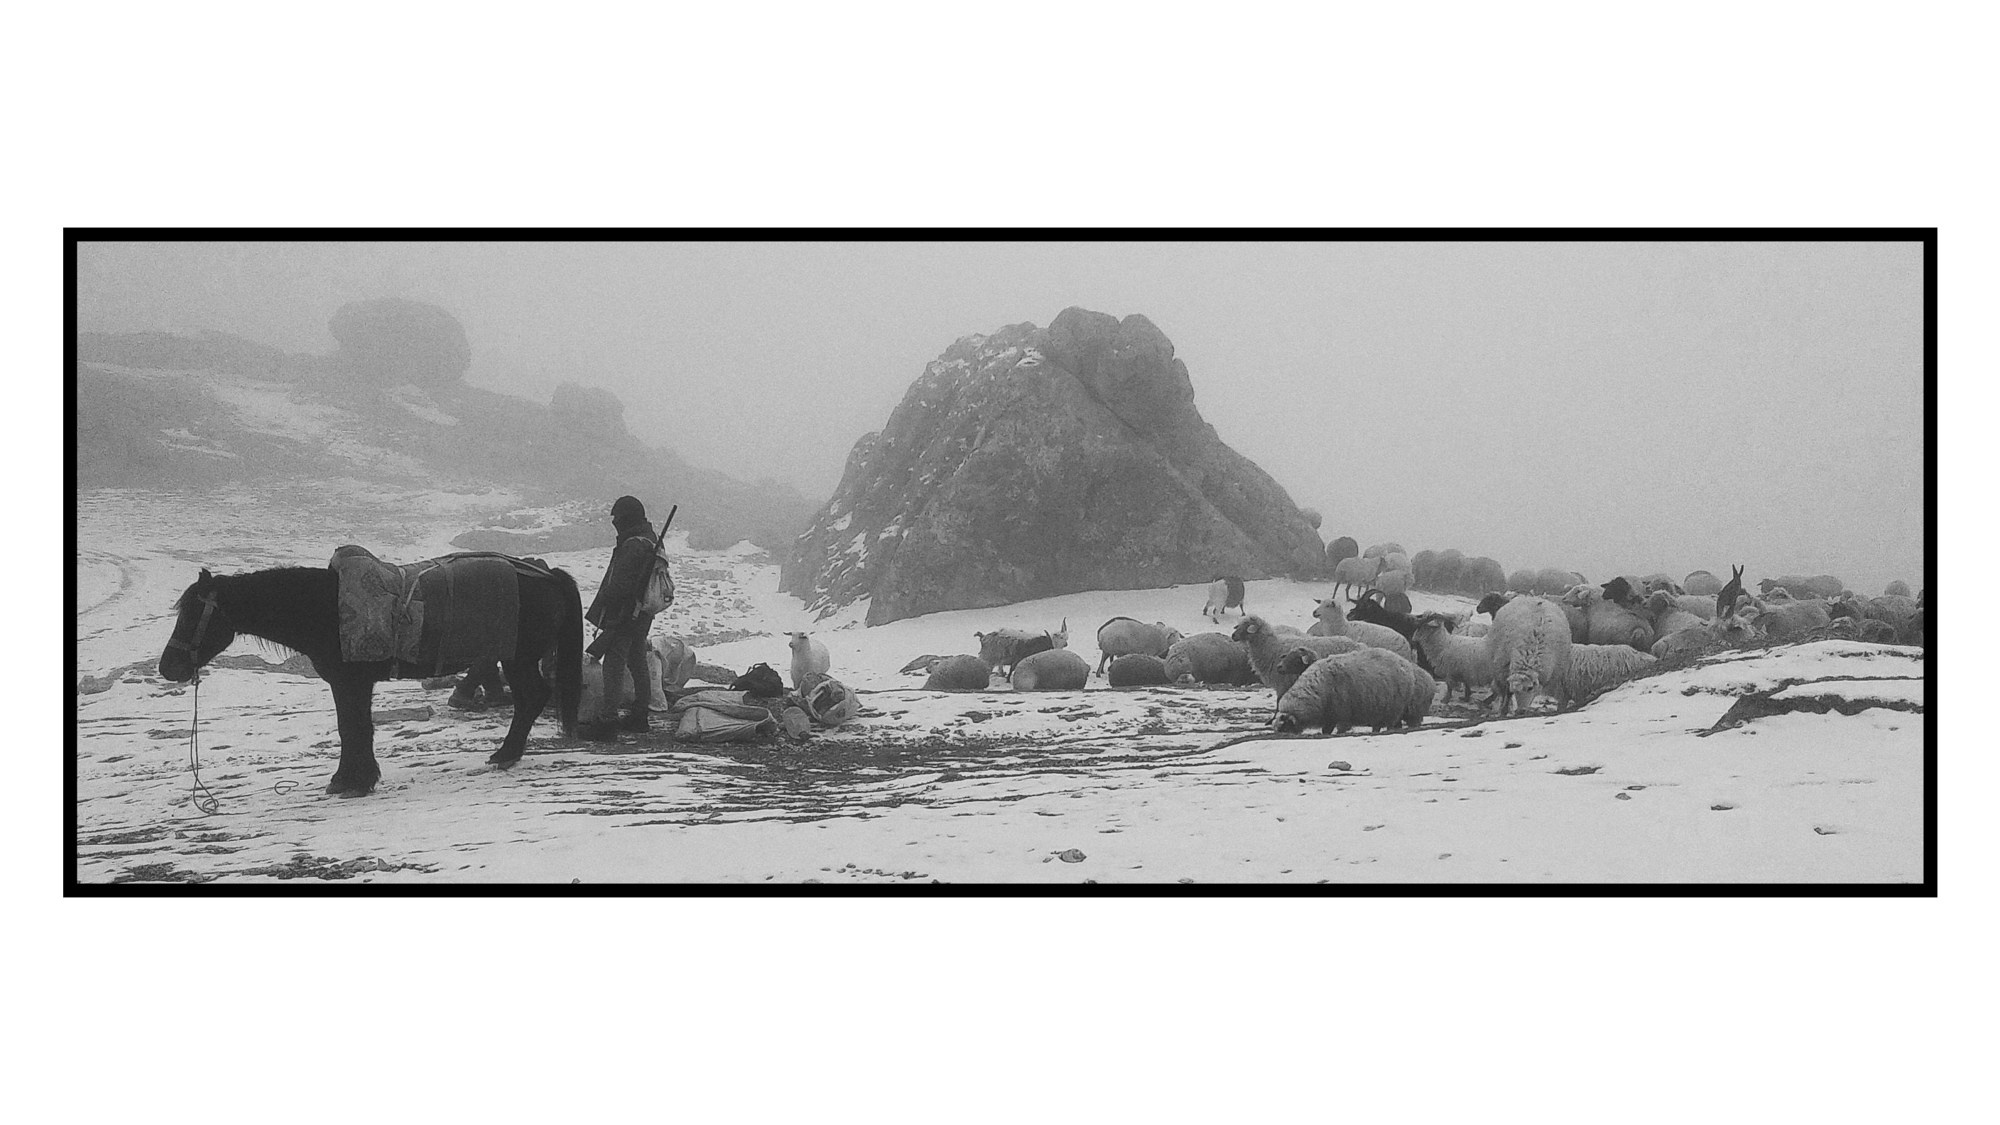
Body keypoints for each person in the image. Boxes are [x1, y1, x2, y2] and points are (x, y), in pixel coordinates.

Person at [581, 495, 660, 739]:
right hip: (641, 612)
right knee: (636, 659)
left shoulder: (634, 544)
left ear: (626, 518)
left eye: (617, 518)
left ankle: (608, 721)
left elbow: (620, 586)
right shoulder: (649, 539)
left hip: (625, 613)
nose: (615, 522)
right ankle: (639, 715)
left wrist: (610, 611)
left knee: (614, 665)